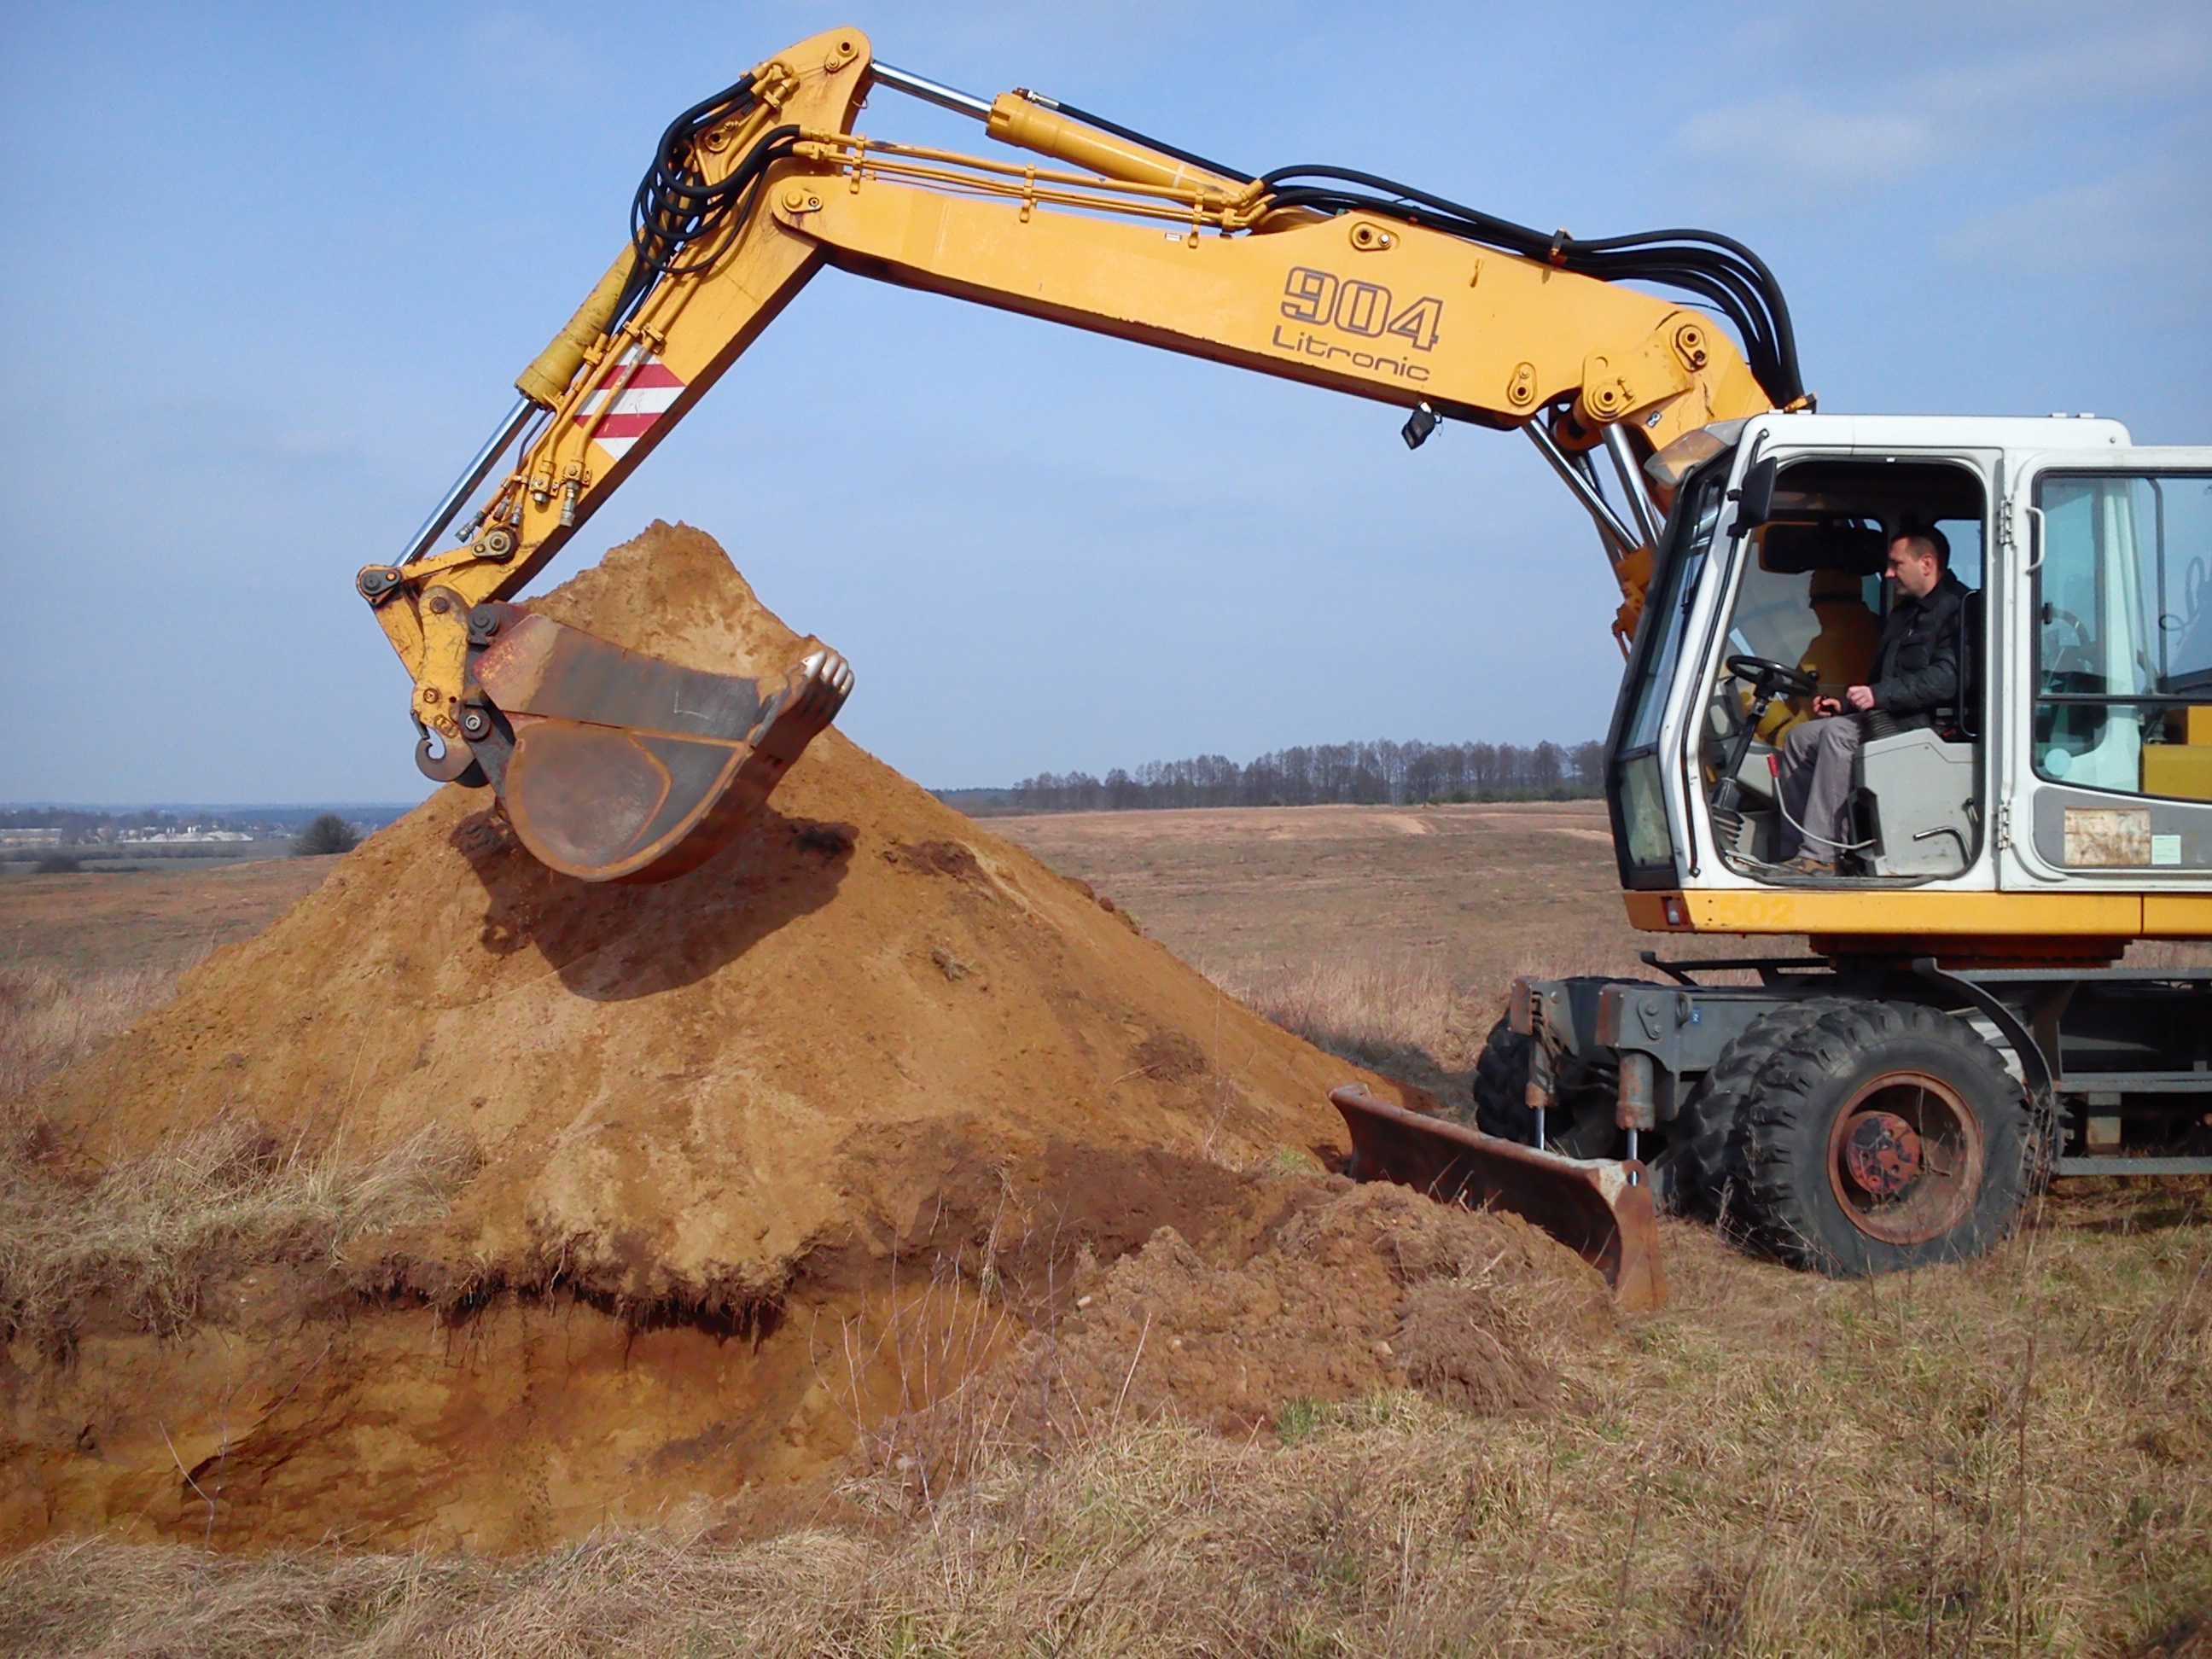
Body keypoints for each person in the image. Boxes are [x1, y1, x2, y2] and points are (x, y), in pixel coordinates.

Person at [1775, 527, 1968, 874]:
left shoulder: (1961, 611)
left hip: (1933, 726)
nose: (1889, 573)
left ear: (1927, 563)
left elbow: (1946, 680)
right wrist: (1846, 705)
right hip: (1892, 716)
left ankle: (1824, 855)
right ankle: (1796, 849)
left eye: (1896, 564)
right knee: (1801, 737)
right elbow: (1883, 681)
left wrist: (1877, 696)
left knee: (1837, 735)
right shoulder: (1902, 614)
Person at [1753, 567, 1882, 747]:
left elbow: (1795, 730)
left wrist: (1767, 726)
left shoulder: (1826, 646)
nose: (1812, 609)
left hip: (1829, 736)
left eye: (1814, 602)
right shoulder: (1880, 629)